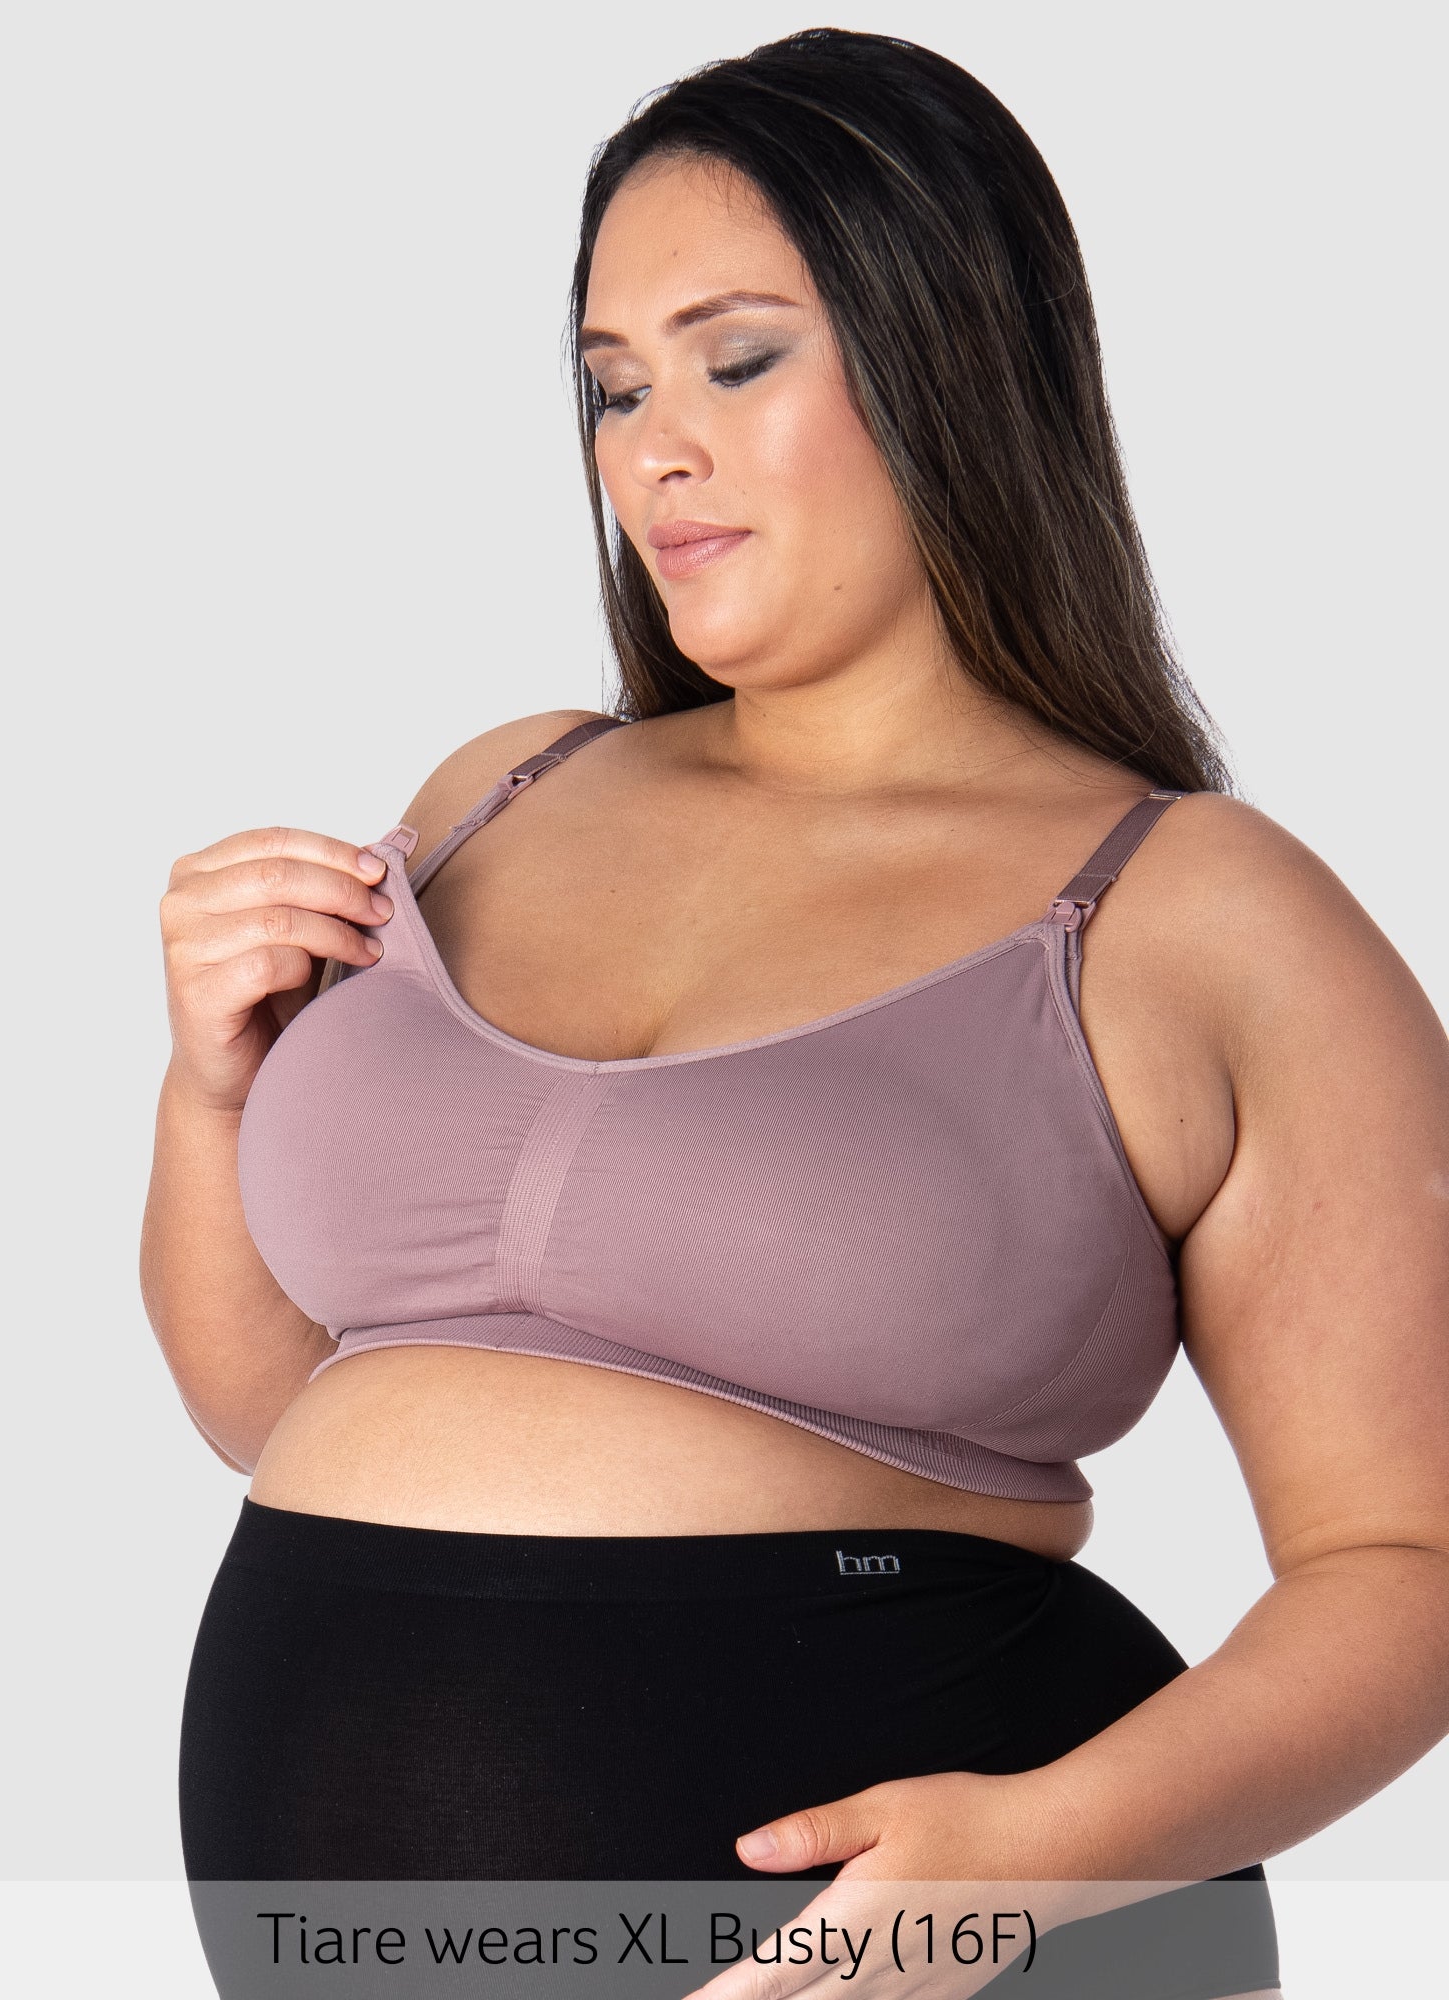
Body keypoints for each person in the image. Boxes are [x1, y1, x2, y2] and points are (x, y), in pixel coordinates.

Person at [142, 29, 1449, 2000]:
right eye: (612, 385)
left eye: (735, 360)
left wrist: (1034, 1859)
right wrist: (208, 1090)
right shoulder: (503, 790)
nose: (648, 451)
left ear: (951, 359)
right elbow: (278, 1411)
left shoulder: (1195, 914)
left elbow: (1408, 1570)